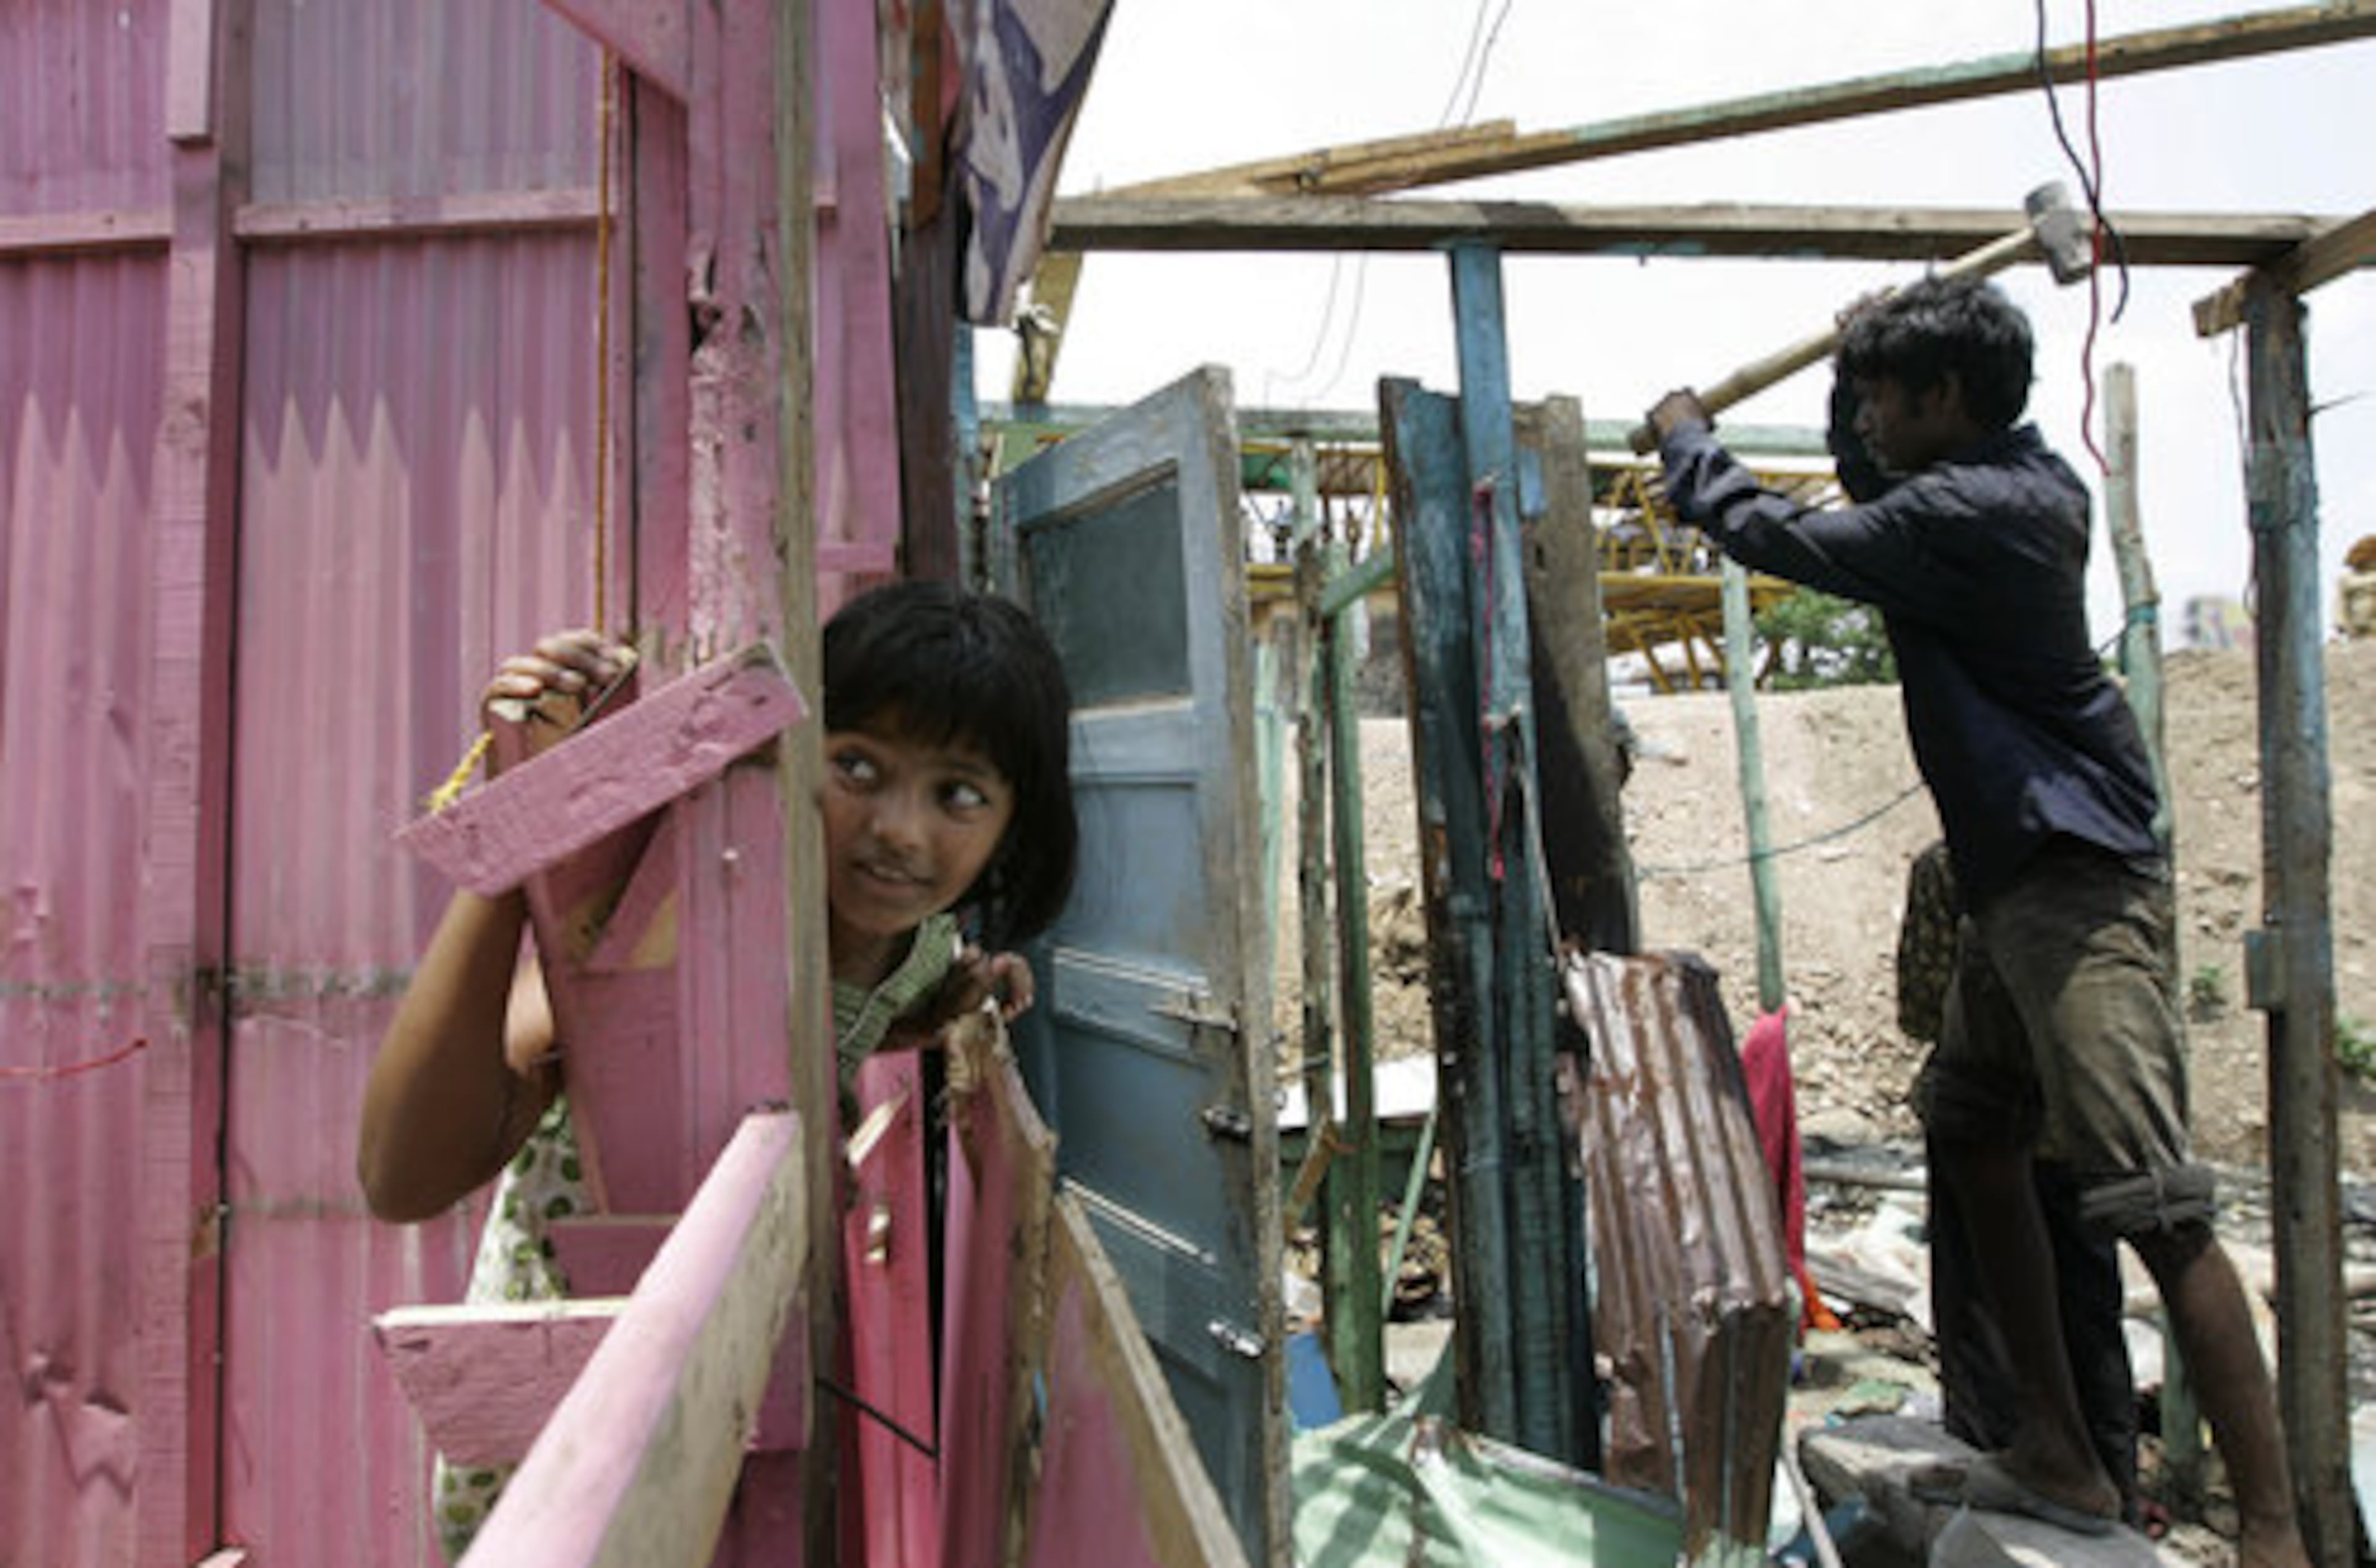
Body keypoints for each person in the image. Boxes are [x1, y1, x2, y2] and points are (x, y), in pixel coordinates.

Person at [1643, 275, 2307, 1565]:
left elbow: (1786, 537)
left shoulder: (1986, 512)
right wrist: (1852, 365)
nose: (1873, 417)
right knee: (1970, 1127)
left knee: (2156, 1205)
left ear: (1946, 400)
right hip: (2010, 874)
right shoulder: (1984, 485)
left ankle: (2277, 1532)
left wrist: (1688, 439)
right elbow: (1870, 482)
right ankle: (2059, 1448)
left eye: (1889, 393)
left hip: (2078, 881)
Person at [358, 578, 1078, 1559]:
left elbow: (861, 1005)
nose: (902, 830)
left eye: (957, 793)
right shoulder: (667, 940)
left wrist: (951, 1000)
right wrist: (528, 825)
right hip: (565, 1459)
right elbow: (403, 1176)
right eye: (858, 766)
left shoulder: (916, 946)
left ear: (1012, 822)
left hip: (739, 1415)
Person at [1897, 840, 2141, 1526]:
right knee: (2091, 1315)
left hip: (1987, 1122)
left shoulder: (1953, 863)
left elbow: (1920, 1006)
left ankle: (2000, 1477)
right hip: (2082, 1120)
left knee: (1984, 1314)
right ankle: (2113, 1485)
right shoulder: (2111, 865)